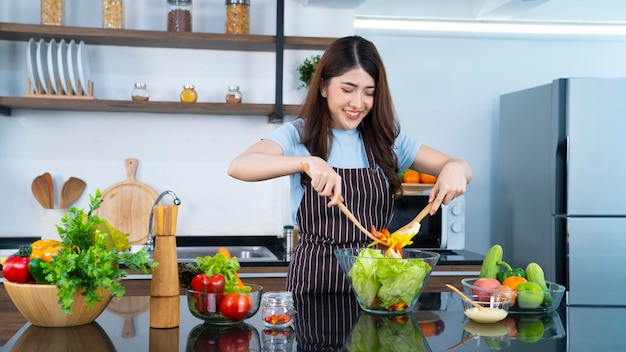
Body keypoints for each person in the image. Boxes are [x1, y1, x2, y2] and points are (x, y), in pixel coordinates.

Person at [227, 35, 472, 294]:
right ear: (323, 87)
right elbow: (240, 166)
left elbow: (461, 166)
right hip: (315, 284)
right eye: (347, 89)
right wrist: (307, 162)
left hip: (376, 284)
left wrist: (455, 169)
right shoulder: (298, 135)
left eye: (369, 92)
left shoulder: (387, 140)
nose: (358, 103)